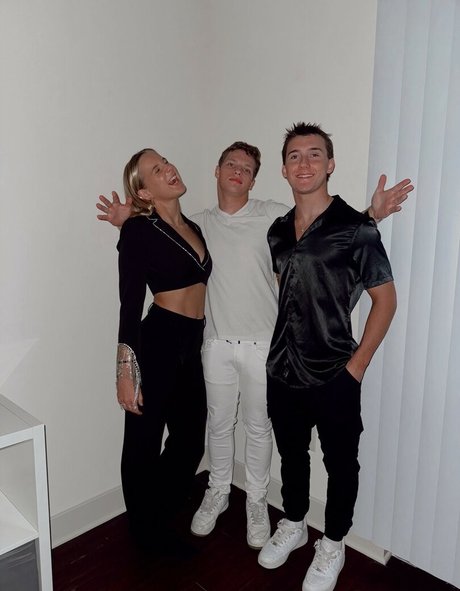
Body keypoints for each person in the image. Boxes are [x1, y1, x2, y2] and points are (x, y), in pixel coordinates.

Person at [97, 142, 411, 552]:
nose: (238, 171)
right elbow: (146, 259)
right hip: (208, 343)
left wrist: (371, 215)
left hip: (260, 344)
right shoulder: (199, 222)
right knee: (209, 427)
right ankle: (209, 495)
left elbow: (320, 227)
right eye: (231, 163)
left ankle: (254, 502)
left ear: (255, 179)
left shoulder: (268, 218)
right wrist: (129, 220)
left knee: (245, 431)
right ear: (217, 170)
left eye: (247, 168)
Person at [257, 123, 397, 591]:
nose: (304, 163)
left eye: (314, 154)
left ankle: (333, 542)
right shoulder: (278, 232)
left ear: (330, 164)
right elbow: (295, 292)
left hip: (336, 373)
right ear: (284, 169)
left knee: (341, 465)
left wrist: (355, 369)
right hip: (282, 369)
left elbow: (385, 301)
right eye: (294, 156)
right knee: (292, 457)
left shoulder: (356, 228)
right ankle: (294, 523)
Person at [114, 148, 212, 555]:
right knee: (142, 443)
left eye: (166, 161)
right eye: (157, 169)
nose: (169, 168)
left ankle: (160, 511)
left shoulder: (192, 226)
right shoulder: (138, 231)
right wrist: (125, 369)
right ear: (144, 191)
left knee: (190, 441)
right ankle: (144, 533)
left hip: (192, 343)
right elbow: (129, 303)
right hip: (157, 341)